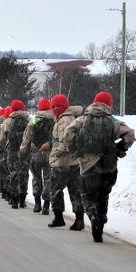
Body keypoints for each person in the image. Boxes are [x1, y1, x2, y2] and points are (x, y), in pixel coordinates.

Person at [64, 91, 136, 242]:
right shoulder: (111, 121)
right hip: (108, 166)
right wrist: (120, 148)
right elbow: (130, 134)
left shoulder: (83, 120)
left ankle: (92, 215)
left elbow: (68, 133)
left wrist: (74, 149)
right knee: (103, 195)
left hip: (88, 165)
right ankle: (101, 225)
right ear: (108, 105)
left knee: (87, 195)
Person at [46, 94, 86, 231]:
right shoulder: (73, 117)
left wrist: (61, 158)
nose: (54, 109)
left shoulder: (64, 120)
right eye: (53, 107)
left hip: (62, 162)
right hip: (75, 161)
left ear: (62, 107)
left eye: (56, 106)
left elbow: (64, 140)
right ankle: (79, 220)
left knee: (56, 190)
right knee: (75, 191)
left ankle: (58, 217)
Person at [19, 97, 56, 214]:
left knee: (36, 177)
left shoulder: (34, 121)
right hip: (50, 152)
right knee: (48, 178)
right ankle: (46, 204)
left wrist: (23, 151)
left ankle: (37, 203)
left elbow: (26, 138)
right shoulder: (55, 119)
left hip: (36, 153)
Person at [0, 99, 30, 208]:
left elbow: (2, 139)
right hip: (25, 151)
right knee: (24, 173)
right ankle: (22, 199)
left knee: (13, 173)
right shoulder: (29, 120)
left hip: (11, 151)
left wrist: (0, 150)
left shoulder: (7, 121)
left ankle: (14, 199)